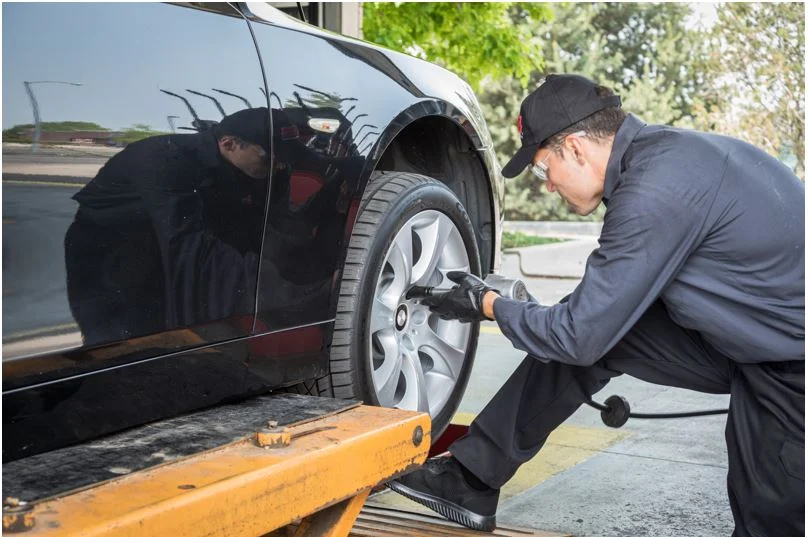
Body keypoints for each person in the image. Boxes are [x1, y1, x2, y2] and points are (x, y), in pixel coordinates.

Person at [387, 74, 804, 537]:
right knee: (595, 327)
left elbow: (577, 336)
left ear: (576, 149)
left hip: (791, 365)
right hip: (748, 337)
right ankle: (472, 478)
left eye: (544, 169)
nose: (547, 187)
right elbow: (588, 323)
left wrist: (489, 305)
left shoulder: (654, 191)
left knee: (767, 517)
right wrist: (523, 313)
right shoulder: (664, 159)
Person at [65, 108, 270, 345]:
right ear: (230, 144)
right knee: (124, 345)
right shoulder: (166, 158)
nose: (276, 165)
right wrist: (266, 280)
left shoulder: (232, 163)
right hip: (111, 257)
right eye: (268, 157)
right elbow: (187, 241)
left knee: (167, 340)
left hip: (158, 250)